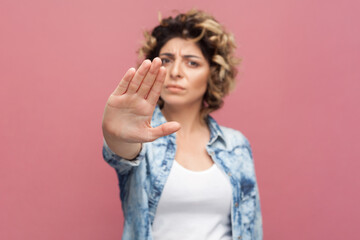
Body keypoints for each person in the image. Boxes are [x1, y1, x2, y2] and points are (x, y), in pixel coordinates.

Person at [102, 9, 262, 240]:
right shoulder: (142, 138)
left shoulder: (235, 145)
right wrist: (116, 135)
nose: (175, 72)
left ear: (212, 74)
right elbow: (122, 152)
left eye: (192, 63)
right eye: (166, 60)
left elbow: (252, 229)